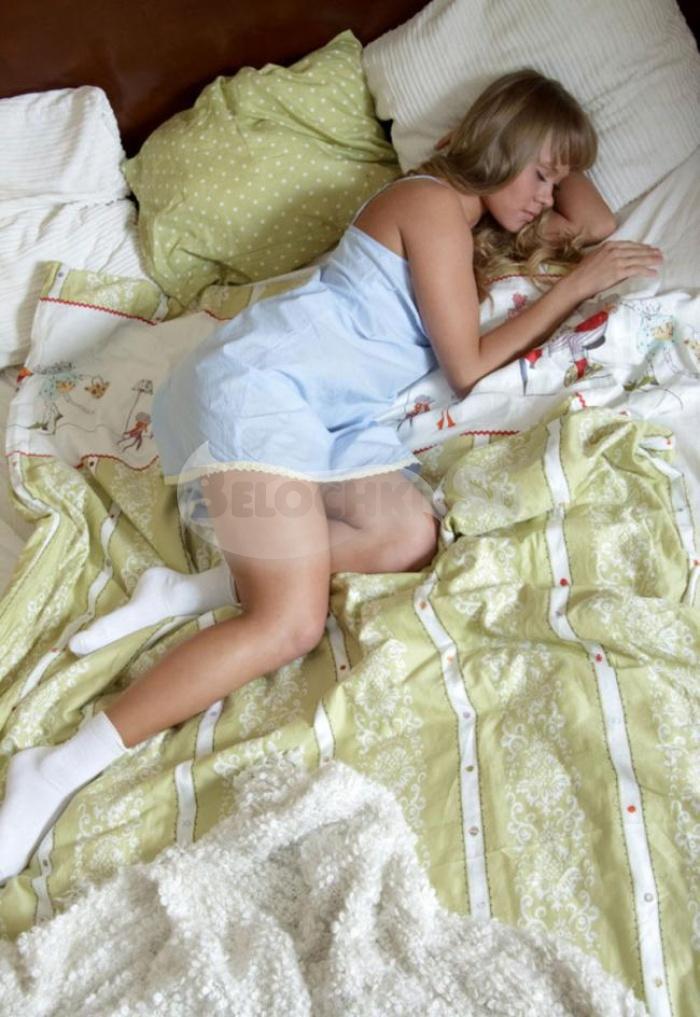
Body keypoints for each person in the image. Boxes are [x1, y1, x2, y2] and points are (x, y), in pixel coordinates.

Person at [0, 68, 662, 883]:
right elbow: (467, 365)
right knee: (288, 623)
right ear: (500, 148)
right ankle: (55, 768)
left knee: (409, 534)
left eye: (554, 182)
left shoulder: (472, 223)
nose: (547, 199)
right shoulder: (430, 205)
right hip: (262, 386)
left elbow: (595, 223)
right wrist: (577, 273)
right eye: (540, 175)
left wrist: (550, 154)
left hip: (334, 416)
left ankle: (190, 591)